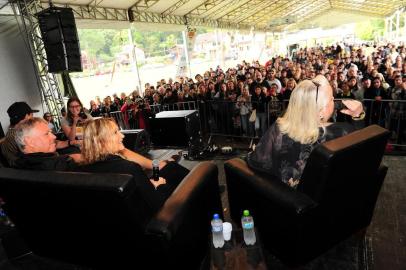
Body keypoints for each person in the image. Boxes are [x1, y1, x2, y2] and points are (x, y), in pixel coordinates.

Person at [247, 75, 364, 188]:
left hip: (279, 195)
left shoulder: (279, 126)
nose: (335, 100)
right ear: (321, 111)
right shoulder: (342, 132)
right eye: (332, 99)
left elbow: (257, 162)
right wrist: (359, 116)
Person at [76, 118, 189, 212]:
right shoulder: (130, 168)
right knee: (173, 169)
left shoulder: (81, 169)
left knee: (169, 167)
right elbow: (158, 204)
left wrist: (149, 184)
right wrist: (158, 185)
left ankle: (167, 164)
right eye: (115, 132)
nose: (122, 136)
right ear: (100, 141)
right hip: (153, 216)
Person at [1, 102, 39, 167]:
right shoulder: (19, 136)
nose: (33, 118)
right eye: (32, 115)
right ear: (27, 116)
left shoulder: (11, 134)